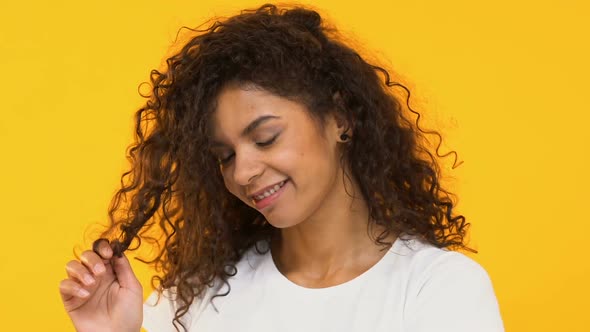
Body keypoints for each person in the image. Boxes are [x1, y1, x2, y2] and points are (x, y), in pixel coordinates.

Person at [59, 3, 504, 332]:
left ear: (340, 118)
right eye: (225, 155)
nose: (242, 172)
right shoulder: (193, 298)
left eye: (265, 137)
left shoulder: (438, 289)